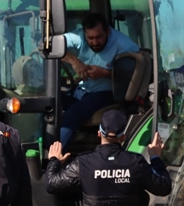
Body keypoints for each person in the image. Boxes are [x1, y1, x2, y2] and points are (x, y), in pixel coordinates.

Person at [60, 12, 139, 149]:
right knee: (53, 102)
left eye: (99, 37)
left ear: (107, 32)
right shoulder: (78, 37)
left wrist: (104, 73)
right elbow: (50, 45)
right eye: (90, 38)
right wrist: (74, 61)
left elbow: (136, 73)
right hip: (82, 91)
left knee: (72, 115)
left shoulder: (124, 45)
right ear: (83, 33)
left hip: (106, 94)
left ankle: (53, 159)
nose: (94, 42)